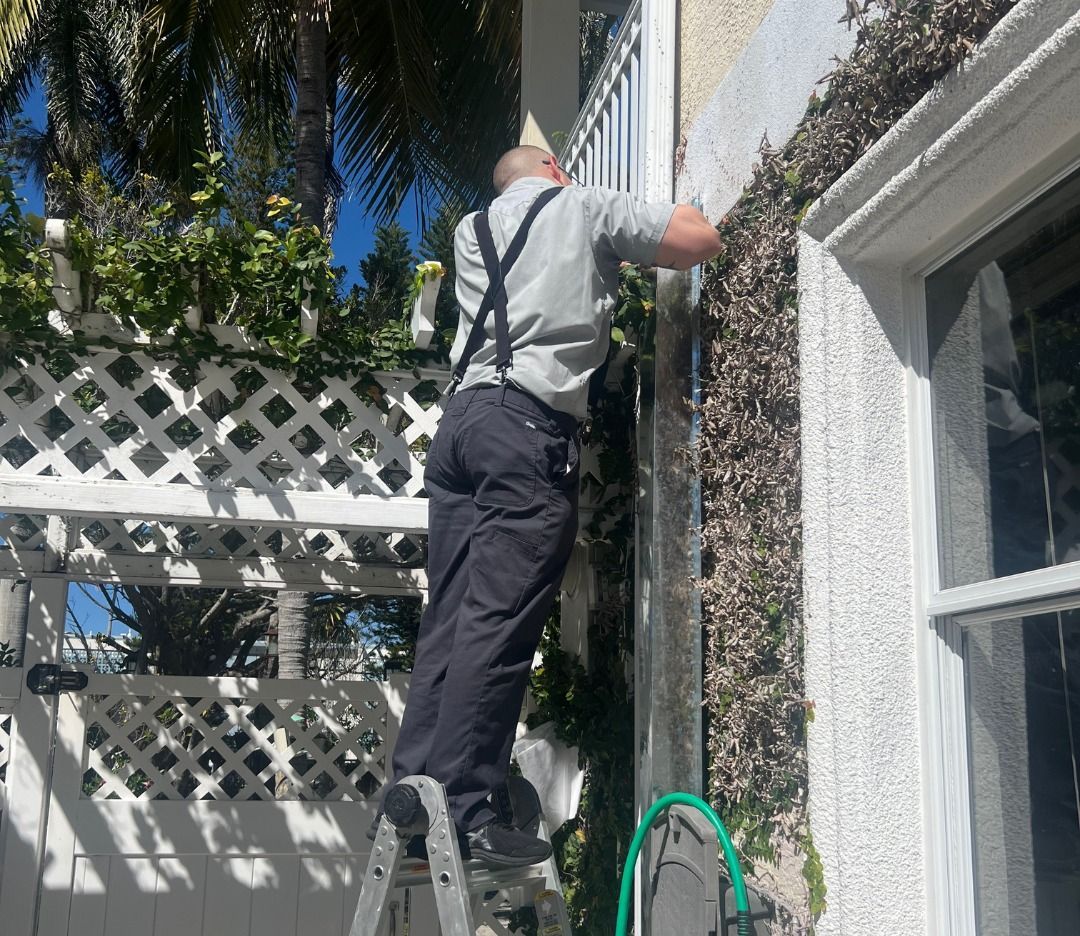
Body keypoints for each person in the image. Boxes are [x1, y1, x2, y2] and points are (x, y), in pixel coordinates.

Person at [383, 145, 722, 868]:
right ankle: (465, 818)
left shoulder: (469, 233)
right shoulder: (584, 205)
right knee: (496, 625)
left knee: (449, 618)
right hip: (525, 432)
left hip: (462, 430)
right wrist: (613, 247)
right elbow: (698, 238)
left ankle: (413, 808)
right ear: (555, 167)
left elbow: (539, 288)